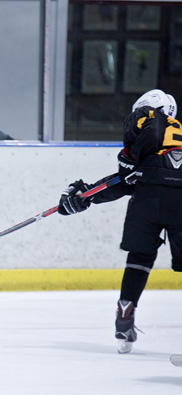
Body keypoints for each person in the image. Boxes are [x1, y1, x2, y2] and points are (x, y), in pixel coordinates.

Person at [57, 89, 180, 354]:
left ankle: (126, 308)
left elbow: (125, 180)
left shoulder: (143, 128)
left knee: (141, 255)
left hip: (147, 199)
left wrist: (85, 196)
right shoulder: (175, 132)